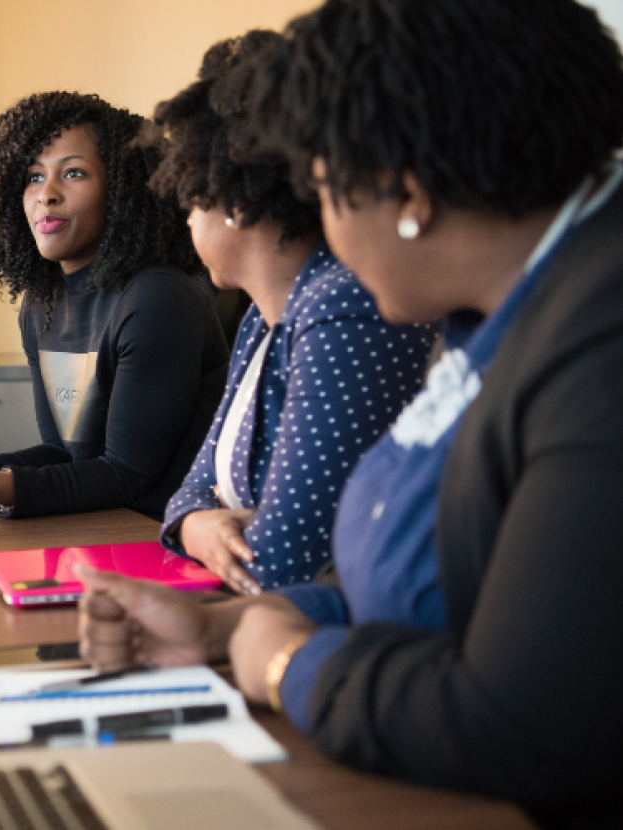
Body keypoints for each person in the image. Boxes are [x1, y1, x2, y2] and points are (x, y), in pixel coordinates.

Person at [77, 1, 623, 826]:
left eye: (324, 191)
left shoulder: (599, 343)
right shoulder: (503, 317)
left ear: (406, 193)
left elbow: (523, 729)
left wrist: (286, 665)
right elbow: (430, 575)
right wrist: (229, 629)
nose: (321, 228)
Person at [142, 31, 434, 594]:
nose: (185, 221)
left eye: (192, 199)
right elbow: (192, 487)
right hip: (250, 616)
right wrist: (198, 525)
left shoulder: (344, 305)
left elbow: (285, 559)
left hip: (298, 631)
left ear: (238, 201)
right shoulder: (261, 318)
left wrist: (208, 528)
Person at [0, 92, 229, 520]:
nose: (47, 195)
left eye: (73, 173)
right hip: (95, 530)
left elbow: (128, 475)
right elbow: (62, 454)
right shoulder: (41, 305)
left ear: (120, 189)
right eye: (34, 177)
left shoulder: (157, 299)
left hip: (161, 540)